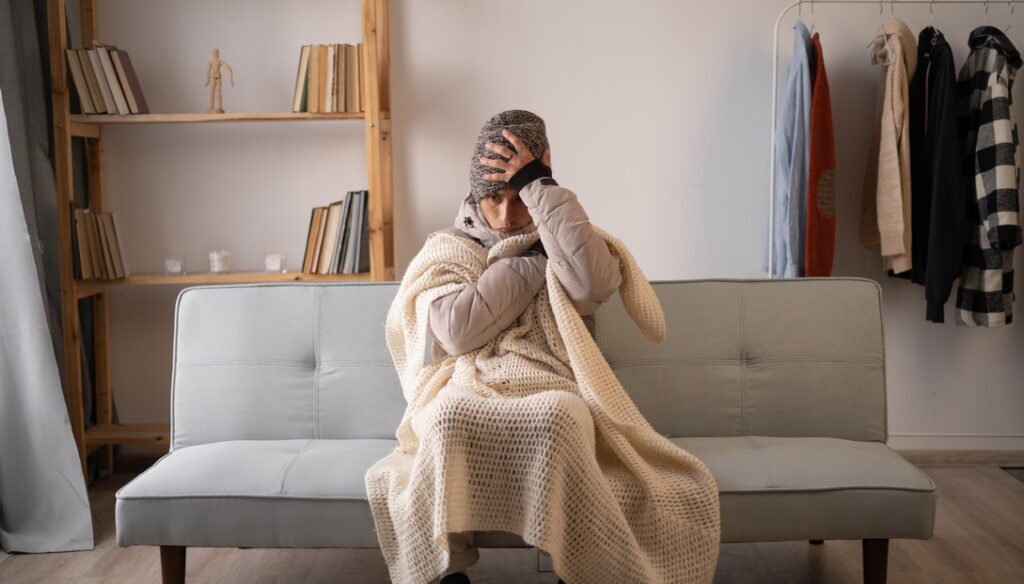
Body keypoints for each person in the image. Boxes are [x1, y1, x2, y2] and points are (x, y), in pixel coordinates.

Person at [426, 110, 622, 583]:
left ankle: (572, 571)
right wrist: (533, 264)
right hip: (474, 381)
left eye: (520, 198)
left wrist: (540, 186)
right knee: (444, 415)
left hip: (554, 379)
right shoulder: (449, 247)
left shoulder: (570, 237)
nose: (508, 216)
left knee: (562, 413)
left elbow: (594, 284)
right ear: (476, 194)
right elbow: (455, 332)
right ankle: (448, 572)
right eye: (493, 198)